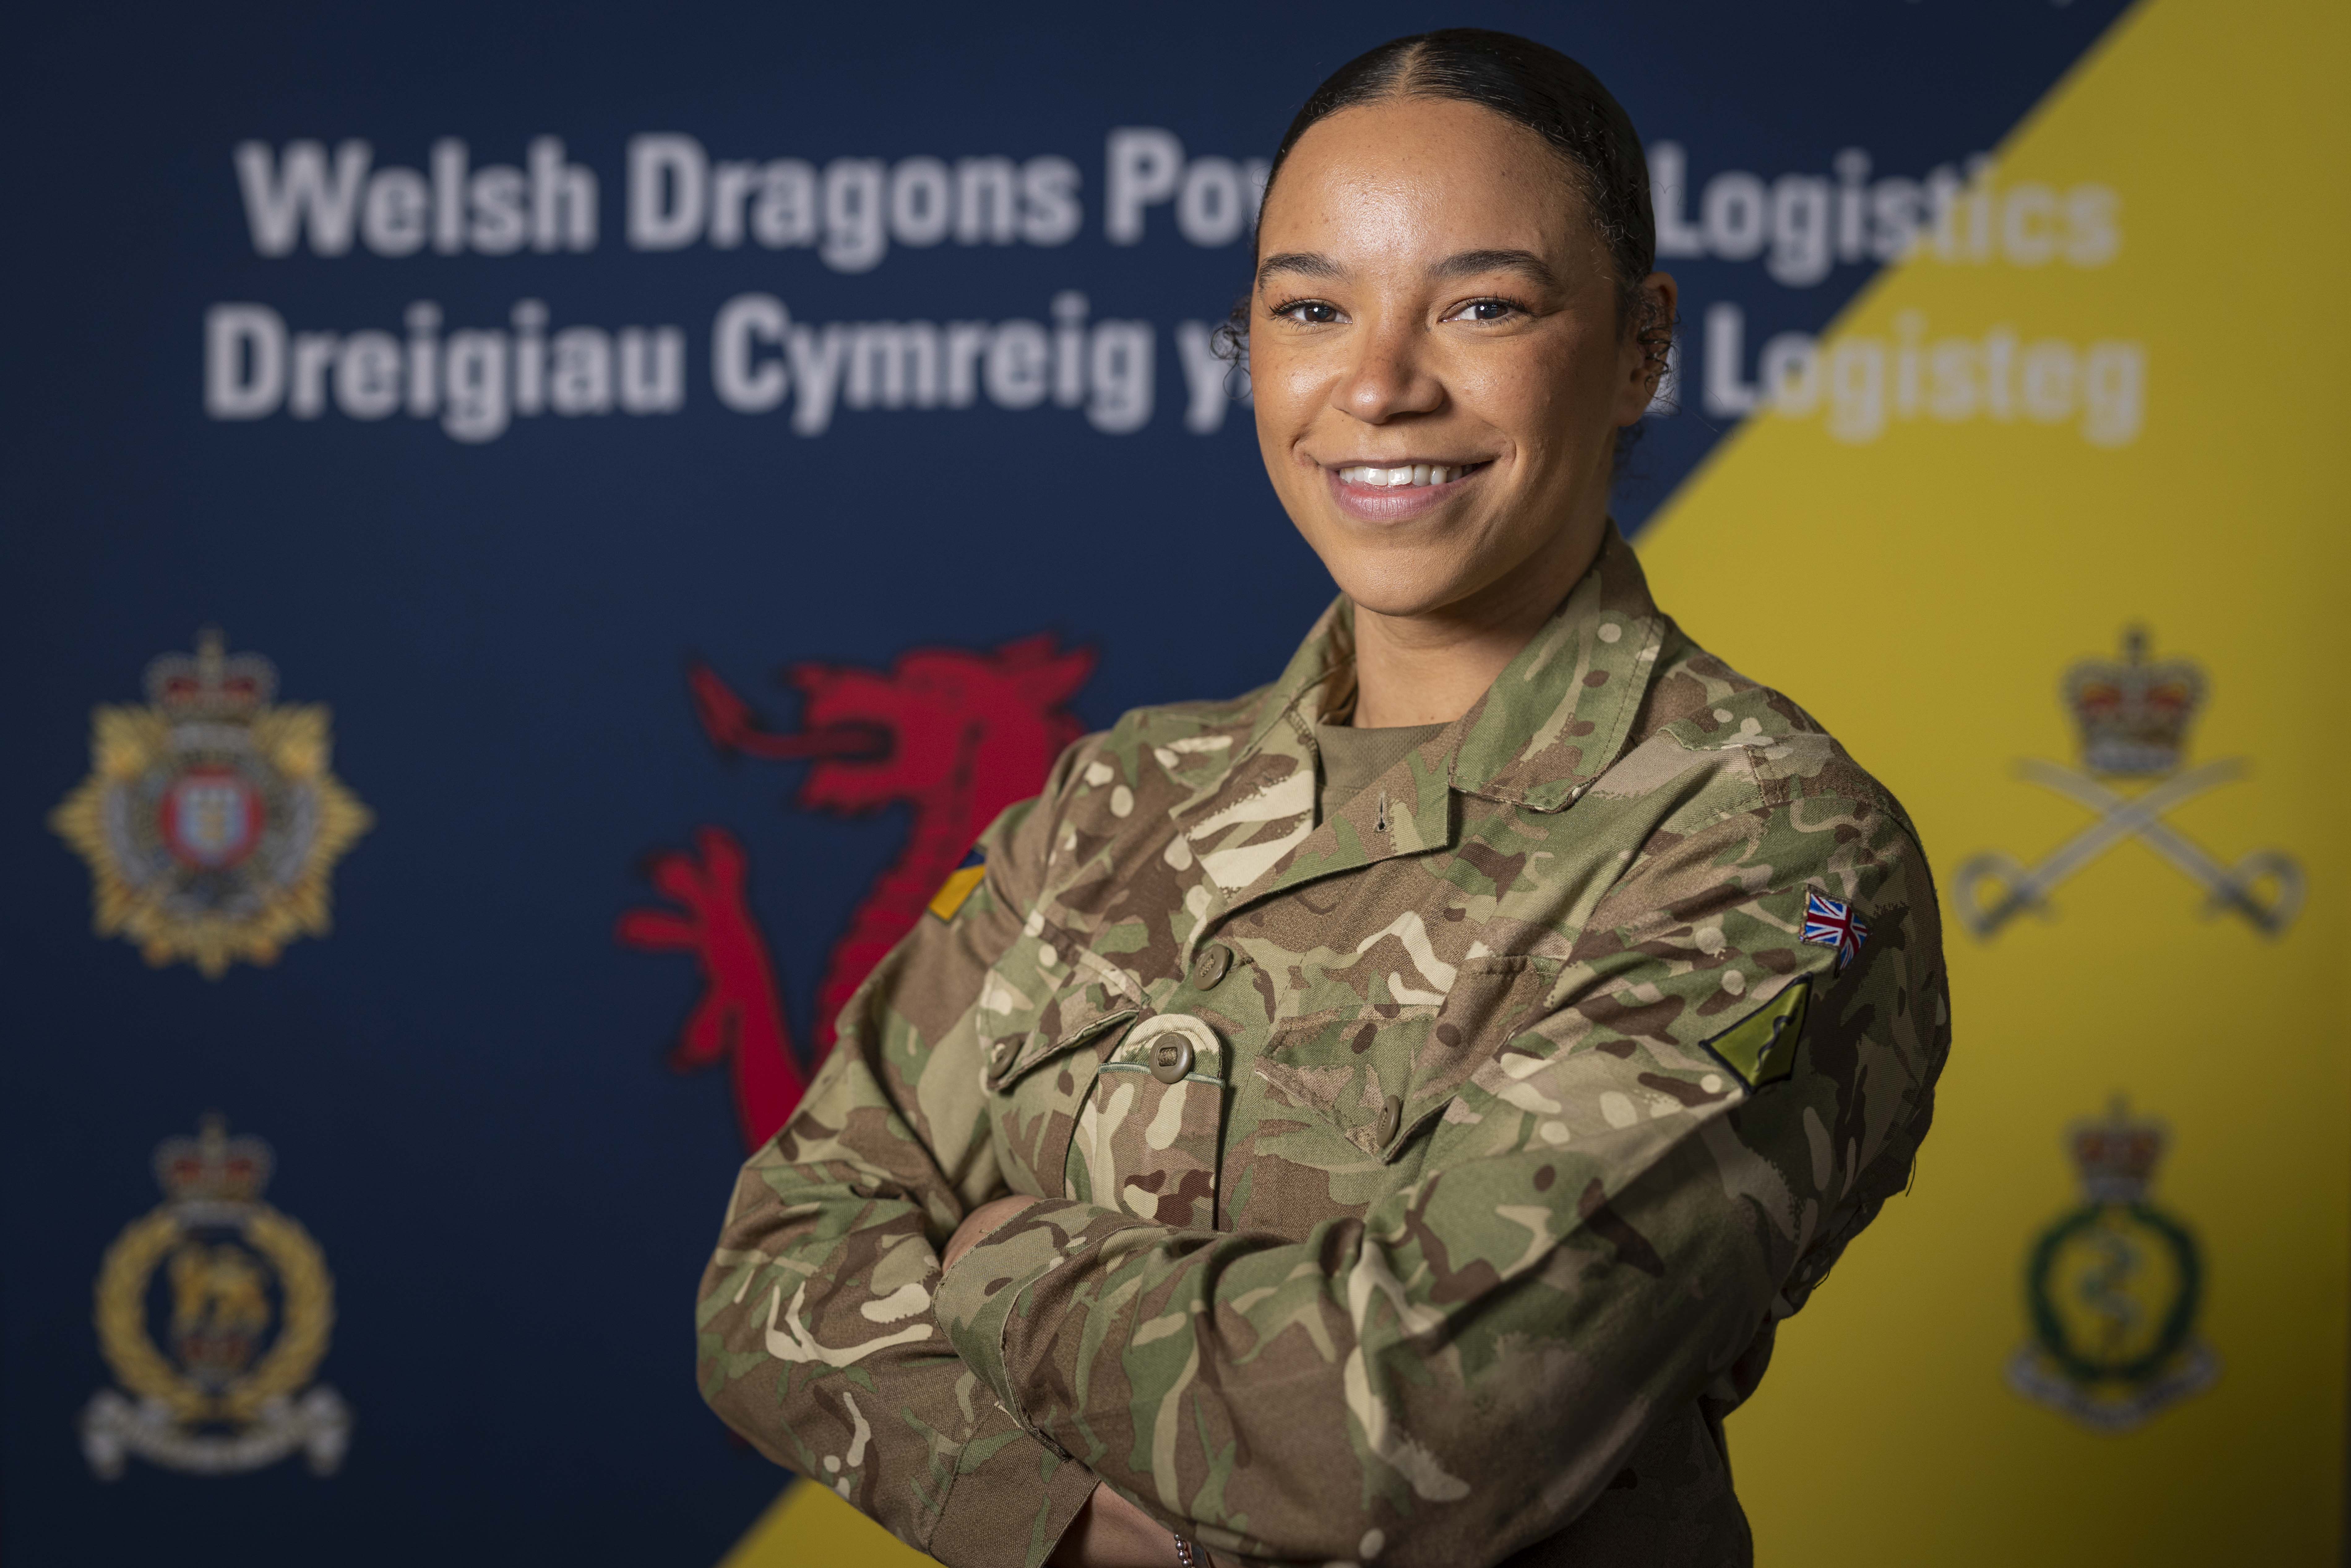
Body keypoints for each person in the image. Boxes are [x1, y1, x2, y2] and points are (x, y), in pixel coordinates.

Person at [695, 27, 1948, 1568]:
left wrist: (999, 1256)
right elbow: (775, 1266)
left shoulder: (1756, 839)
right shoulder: (1120, 798)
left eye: (1482, 305)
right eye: (1310, 310)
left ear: (1638, 347)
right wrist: (1072, 1522)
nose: (1378, 386)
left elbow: (1423, 1425)